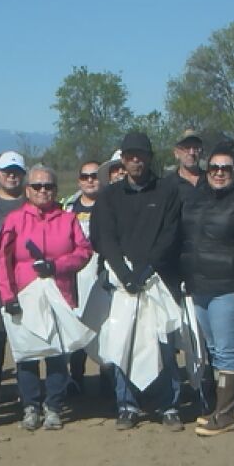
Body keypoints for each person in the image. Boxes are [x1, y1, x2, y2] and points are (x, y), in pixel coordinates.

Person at [90, 131, 184, 431]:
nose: (135, 161)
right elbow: (103, 237)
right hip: (122, 282)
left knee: (163, 343)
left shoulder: (167, 192)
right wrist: (123, 272)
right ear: (123, 160)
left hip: (158, 280)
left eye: (141, 156)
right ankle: (127, 404)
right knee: (123, 342)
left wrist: (148, 269)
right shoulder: (109, 196)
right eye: (130, 156)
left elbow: (171, 233)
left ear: (149, 158)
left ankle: (168, 404)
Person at [0, 165, 93, 431]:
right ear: (27, 190)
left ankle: (54, 406)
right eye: (37, 186)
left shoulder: (67, 219)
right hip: (24, 294)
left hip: (59, 293)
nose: (42, 191)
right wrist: (7, 295)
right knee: (26, 354)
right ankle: (30, 406)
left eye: (48, 186)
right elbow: (2, 259)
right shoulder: (15, 220)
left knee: (56, 353)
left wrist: (57, 266)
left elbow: (84, 252)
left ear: (56, 190)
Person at [180, 142, 234, 435]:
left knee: (228, 352)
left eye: (225, 169)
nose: (219, 173)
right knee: (215, 351)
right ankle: (224, 408)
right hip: (199, 286)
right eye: (213, 168)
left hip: (230, 288)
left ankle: (227, 414)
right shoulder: (195, 199)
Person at [0, 151, 27, 401]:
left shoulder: (31, 203)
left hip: (25, 280)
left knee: (24, 338)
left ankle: (28, 390)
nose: (11, 176)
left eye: (16, 172)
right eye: (7, 171)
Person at [63, 160, 103, 392]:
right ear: (79, 180)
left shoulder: (110, 204)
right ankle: (75, 377)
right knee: (77, 322)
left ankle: (107, 376)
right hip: (76, 273)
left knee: (103, 323)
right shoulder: (69, 207)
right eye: (85, 176)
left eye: (95, 175)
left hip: (103, 269)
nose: (90, 180)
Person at [160, 129, 205, 202]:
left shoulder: (211, 181)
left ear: (201, 152)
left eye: (196, 148)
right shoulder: (167, 185)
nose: (191, 153)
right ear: (176, 153)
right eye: (187, 148)